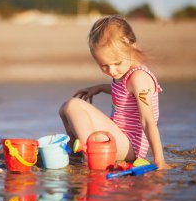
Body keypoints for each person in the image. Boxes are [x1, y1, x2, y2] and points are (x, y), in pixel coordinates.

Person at [59, 15, 171, 170]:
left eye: (117, 63)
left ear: (131, 46)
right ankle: (74, 154)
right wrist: (99, 88)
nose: (111, 71)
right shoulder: (124, 74)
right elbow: (123, 92)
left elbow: (148, 121)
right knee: (65, 109)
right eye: (104, 66)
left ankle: (88, 154)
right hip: (120, 138)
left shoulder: (139, 78)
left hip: (131, 146)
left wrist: (159, 161)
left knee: (73, 106)